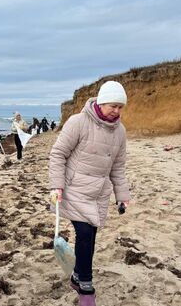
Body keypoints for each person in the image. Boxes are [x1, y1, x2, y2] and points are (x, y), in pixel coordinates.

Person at [48, 80, 130, 306]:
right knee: (84, 233)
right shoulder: (78, 122)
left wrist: (122, 196)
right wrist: (57, 185)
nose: (116, 111)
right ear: (101, 102)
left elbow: (118, 167)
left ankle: (77, 275)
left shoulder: (120, 131)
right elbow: (58, 154)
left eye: (120, 107)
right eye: (113, 105)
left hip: (99, 194)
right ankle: (86, 287)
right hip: (74, 190)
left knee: (90, 237)